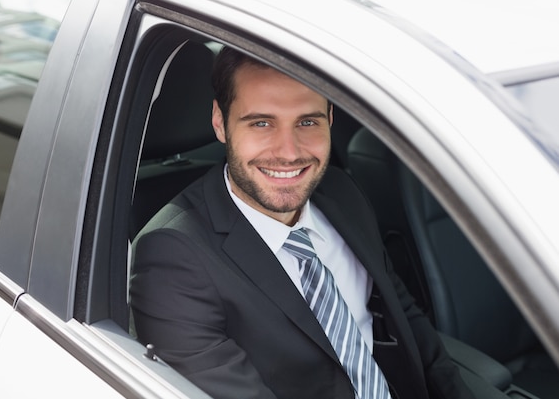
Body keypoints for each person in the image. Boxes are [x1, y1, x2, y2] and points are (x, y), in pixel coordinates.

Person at [130, 46, 474, 399]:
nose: (289, 152)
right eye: (261, 123)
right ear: (220, 122)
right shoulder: (171, 257)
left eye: (307, 122)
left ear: (330, 118)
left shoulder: (342, 193)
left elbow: (403, 315)